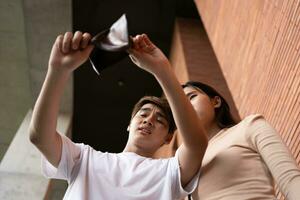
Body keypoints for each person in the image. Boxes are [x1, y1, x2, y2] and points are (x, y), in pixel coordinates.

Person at [29, 31, 208, 200]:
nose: (149, 120)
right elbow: (40, 138)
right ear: (129, 124)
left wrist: (162, 70)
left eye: (160, 120)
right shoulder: (84, 159)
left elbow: (197, 145)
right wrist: (58, 71)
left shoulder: (169, 172)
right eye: (143, 114)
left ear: (169, 138)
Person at [182, 81, 300, 200]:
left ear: (216, 102)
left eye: (192, 97)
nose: (185, 107)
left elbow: (290, 180)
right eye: (179, 105)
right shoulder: (183, 167)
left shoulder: (248, 127)